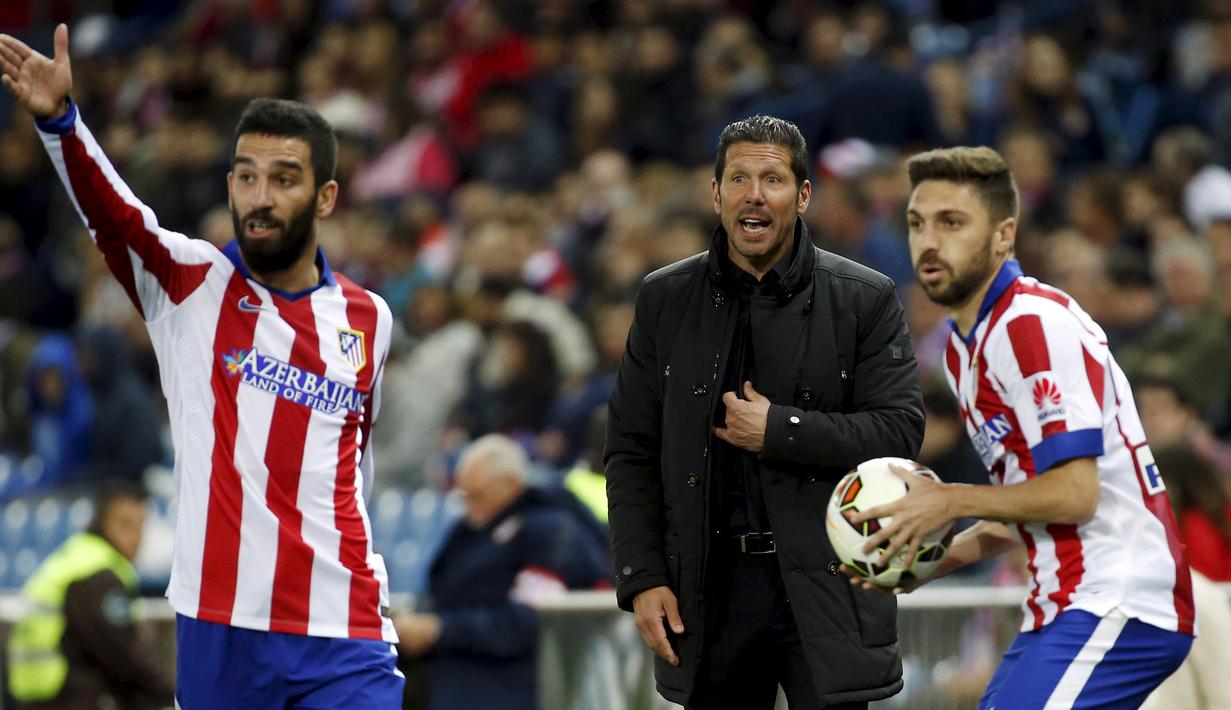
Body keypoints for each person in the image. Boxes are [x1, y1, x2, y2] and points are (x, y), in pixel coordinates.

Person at [0, 25, 404, 707]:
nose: (261, 197)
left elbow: (355, 458)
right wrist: (61, 124)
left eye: (283, 179)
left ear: (325, 198)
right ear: (229, 186)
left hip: (343, 624)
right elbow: (118, 220)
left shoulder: (370, 319)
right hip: (222, 627)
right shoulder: (190, 285)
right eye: (246, 177)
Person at [848, 146, 1194, 709]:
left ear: (1004, 235)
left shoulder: (1029, 325)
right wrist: (923, 566)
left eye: (952, 222)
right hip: (1059, 602)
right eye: (917, 224)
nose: (928, 242)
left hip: (1117, 596)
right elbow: (1028, 506)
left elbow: (1076, 494)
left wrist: (947, 500)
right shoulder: (964, 351)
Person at [605, 115, 924, 710]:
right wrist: (642, 578)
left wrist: (780, 429)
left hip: (830, 587)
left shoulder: (865, 297)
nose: (754, 195)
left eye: (773, 179)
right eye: (739, 178)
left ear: (803, 196)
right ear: (716, 192)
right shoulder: (664, 298)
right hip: (710, 591)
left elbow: (900, 433)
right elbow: (631, 450)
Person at [395, 434, 609, 710]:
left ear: (510, 484)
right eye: (465, 496)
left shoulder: (551, 529)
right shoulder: (471, 529)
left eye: (478, 495)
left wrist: (440, 630)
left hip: (510, 687)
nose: (469, 507)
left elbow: (529, 620)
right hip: (451, 679)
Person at [6, 481, 174, 709]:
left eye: (140, 526)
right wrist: (173, 693)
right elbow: (122, 655)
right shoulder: (97, 575)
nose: (135, 537)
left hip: (36, 697)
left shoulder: (76, 557)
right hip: (69, 698)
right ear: (102, 521)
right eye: (125, 524)